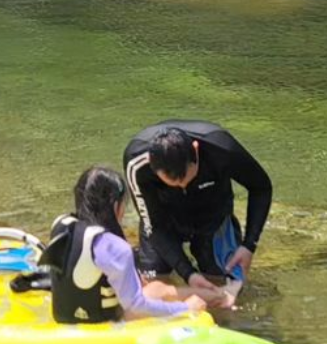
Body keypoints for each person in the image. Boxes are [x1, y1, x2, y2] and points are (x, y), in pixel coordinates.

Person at [123, 120, 272, 310]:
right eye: (174, 183)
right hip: (164, 217)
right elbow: (154, 226)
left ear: (195, 149)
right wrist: (188, 274)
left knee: (223, 284)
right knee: (154, 281)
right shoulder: (137, 162)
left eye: (187, 178)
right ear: (152, 164)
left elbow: (261, 187)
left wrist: (249, 245)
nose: (183, 185)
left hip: (212, 212)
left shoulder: (221, 148)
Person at [41, 165, 207, 324]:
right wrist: (185, 309)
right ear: (116, 206)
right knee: (156, 290)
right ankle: (212, 295)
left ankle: (213, 294)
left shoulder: (61, 226)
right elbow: (136, 306)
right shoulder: (115, 247)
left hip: (64, 319)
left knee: (155, 287)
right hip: (104, 326)